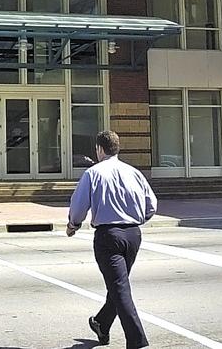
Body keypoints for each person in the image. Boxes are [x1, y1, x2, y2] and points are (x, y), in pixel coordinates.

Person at [67, 131, 157, 348]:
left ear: (100, 149)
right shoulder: (134, 173)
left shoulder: (93, 173)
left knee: (120, 288)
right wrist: (135, 220)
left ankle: (136, 341)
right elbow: (151, 205)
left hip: (109, 236)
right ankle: (101, 323)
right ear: (117, 148)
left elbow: (79, 205)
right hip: (133, 235)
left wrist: (73, 224)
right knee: (119, 286)